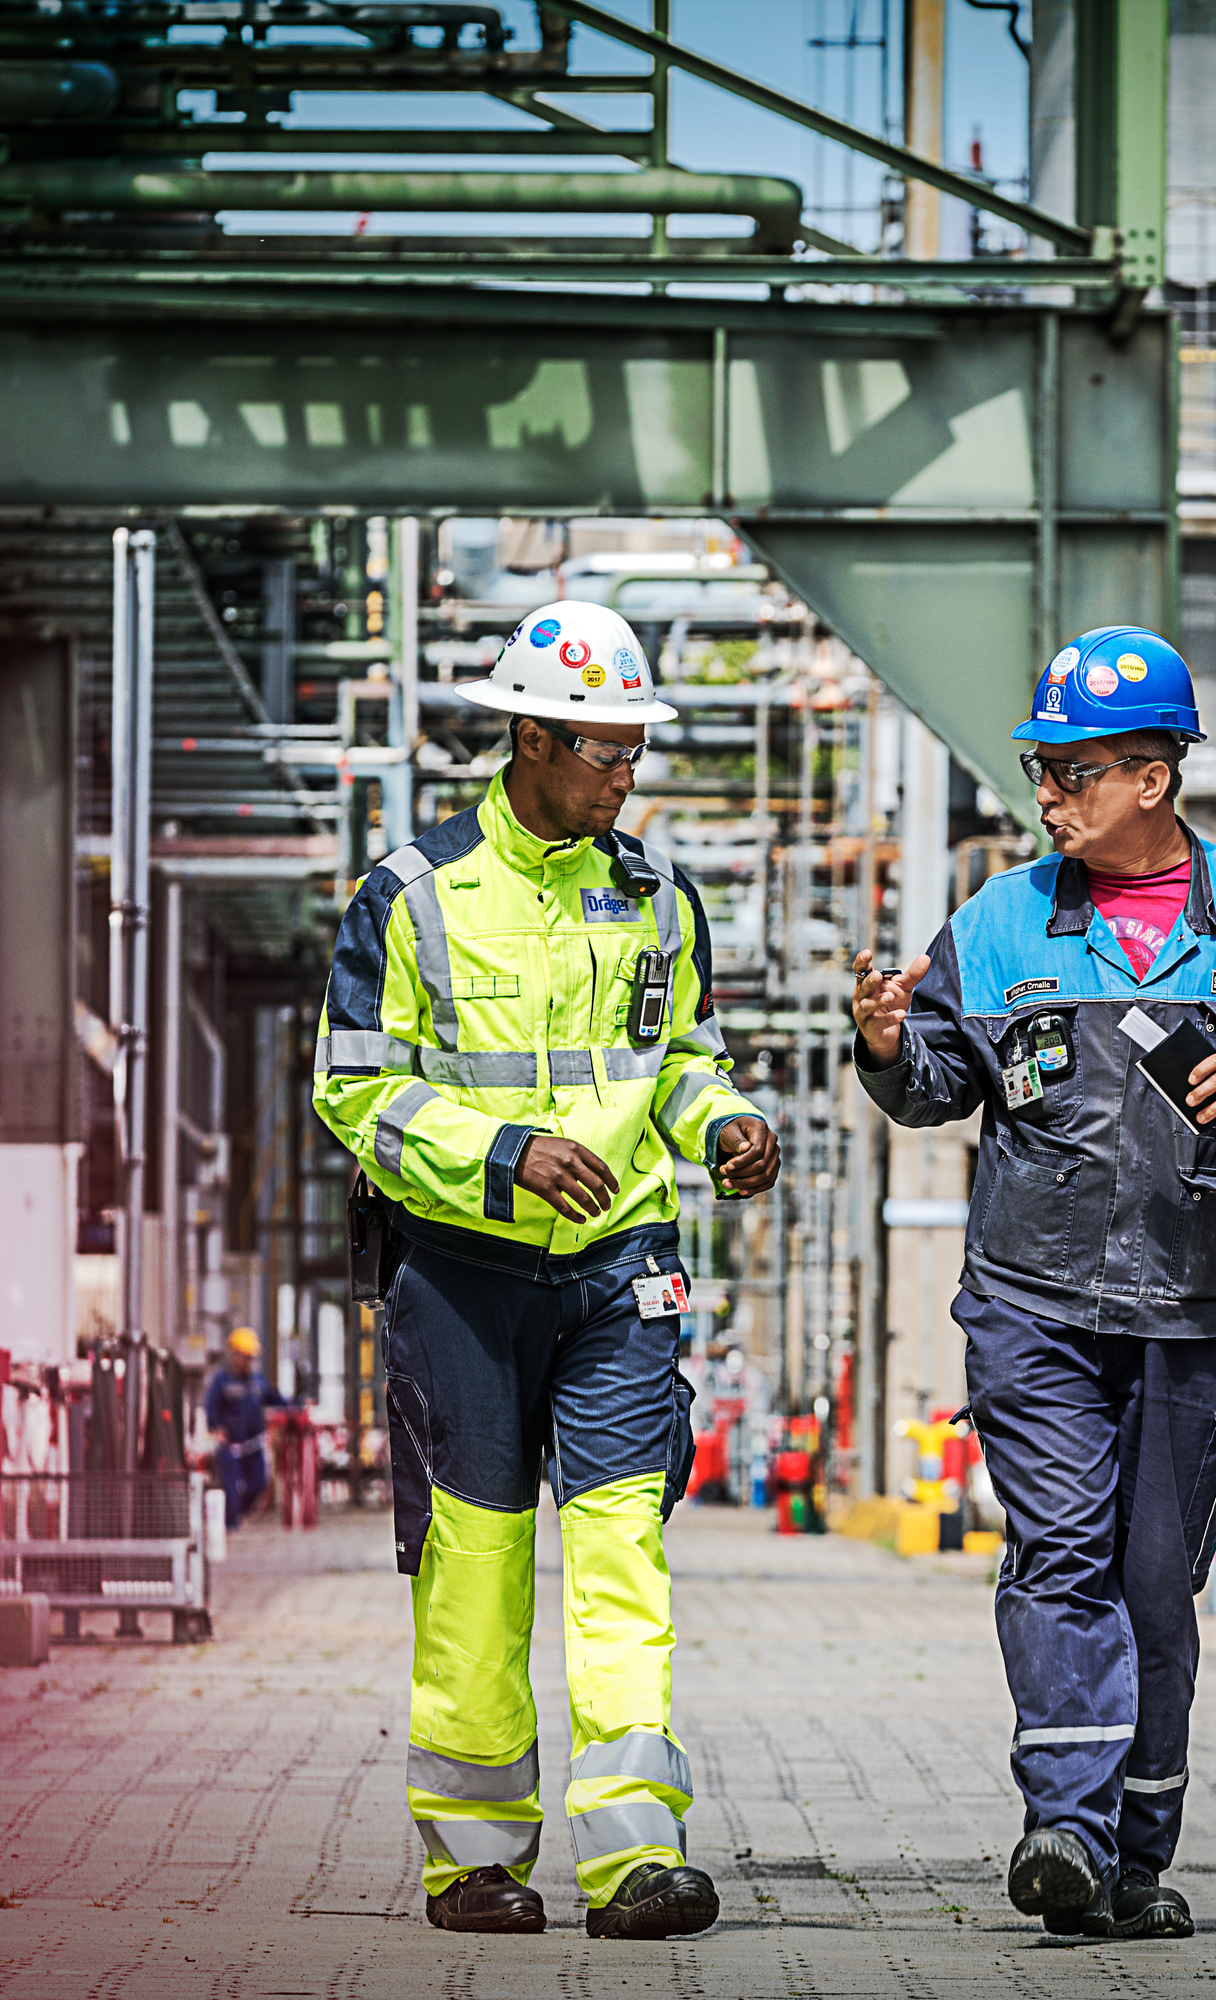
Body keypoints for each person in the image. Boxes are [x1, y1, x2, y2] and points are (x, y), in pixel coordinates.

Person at [851, 626, 1216, 1941]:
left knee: (1157, 1587)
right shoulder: (997, 925)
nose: (1047, 794)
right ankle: (1067, 1829)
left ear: (1152, 777)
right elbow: (934, 1085)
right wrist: (877, 1048)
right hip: (1036, 1306)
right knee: (1062, 1553)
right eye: (1042, 769)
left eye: (1073, 771)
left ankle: (1136, 1858)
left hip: (1196, 1320)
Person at [313, 599, 778, 1942]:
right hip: (460, 1277)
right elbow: (356, 1095)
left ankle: (634, 1855)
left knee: (624, 1545)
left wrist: (724, 1126)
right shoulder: (409, 897)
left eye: (635, 754)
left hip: (620, 1274)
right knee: (478, 1562)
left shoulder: (656, 900)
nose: (626, 777)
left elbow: (679, 1061)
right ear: (529, 737)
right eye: (606, 753)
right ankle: (472, 1860)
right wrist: (502, 1154)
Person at [202, 1327, 288, 1528]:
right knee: (231, 1491)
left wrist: (296, 1404)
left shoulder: (257, 1381)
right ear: (235, 1355)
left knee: (258, 1484)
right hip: (230, 1446)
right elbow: (211, 1408)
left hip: (253, 1446)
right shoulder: (221, 1381)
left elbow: (274, 1399)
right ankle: (229, 1524)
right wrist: (217, 1429)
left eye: (252, 1358)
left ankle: (237, 1513)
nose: (250, 1362)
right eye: (246, 1357)